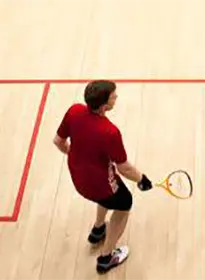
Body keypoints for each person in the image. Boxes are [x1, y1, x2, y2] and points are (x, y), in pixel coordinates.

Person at [53, 80, 154, 274]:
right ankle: (106, 257)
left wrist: (75, 155)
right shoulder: (110, 132)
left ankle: (98, 230)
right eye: (113, 96)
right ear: (103, 105)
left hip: (77, 178)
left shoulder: (74, 111)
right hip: (99, 185)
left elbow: (58, 141)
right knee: (124, 203)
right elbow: (124, 168)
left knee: (107, 196)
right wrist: (142, 179)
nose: (116, 97)